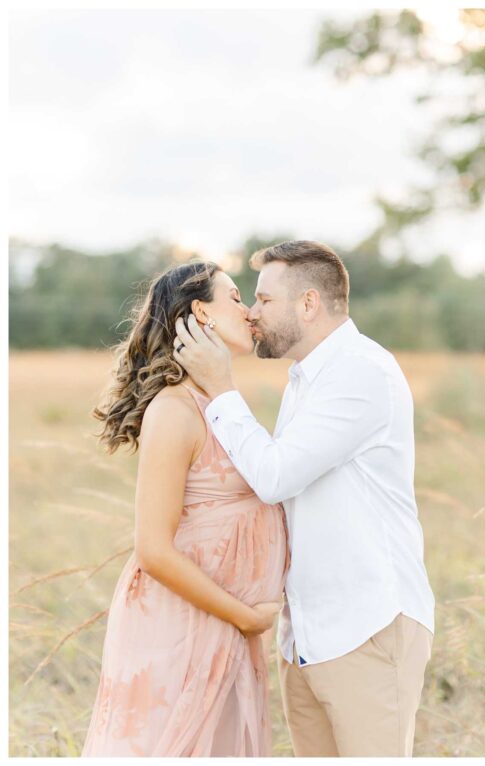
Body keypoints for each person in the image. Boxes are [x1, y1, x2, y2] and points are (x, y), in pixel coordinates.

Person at [172, 240, 435, 757]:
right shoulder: (305, 379)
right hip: (308, 635)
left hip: (367, 627)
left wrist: (222, 387)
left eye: (264, 300)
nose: (250, 311)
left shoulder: (360, 373)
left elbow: (274, 476)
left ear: (308, 304)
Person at [83, 262, 287, 756]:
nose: (249, 310)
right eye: (236, 297)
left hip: (223, 623)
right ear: (202, 312)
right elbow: (152, 550)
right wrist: (246, 617)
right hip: (182, 624)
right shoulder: (175, 411)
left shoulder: (219, 403)